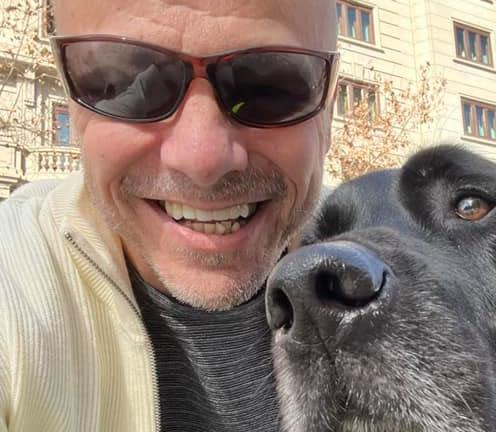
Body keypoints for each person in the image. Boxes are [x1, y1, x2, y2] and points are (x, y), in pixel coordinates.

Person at [0, 0, 339, 430]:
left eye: (268, 86)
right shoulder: (11, 277)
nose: (202, 160)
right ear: (71, 101)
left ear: (327, 109)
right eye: (125, 81)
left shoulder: (402, 268)